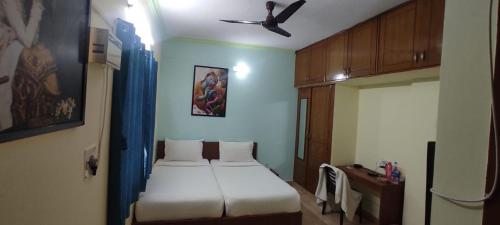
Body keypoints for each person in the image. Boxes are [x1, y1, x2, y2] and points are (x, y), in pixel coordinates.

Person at [0, 0, 61, 131]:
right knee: (43, 62)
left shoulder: (21, 3)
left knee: (46, 55)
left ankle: (53, 118)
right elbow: (27, 41)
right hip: (6, 47)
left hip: (15, 43)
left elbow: (31, 38)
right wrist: (37, 6)